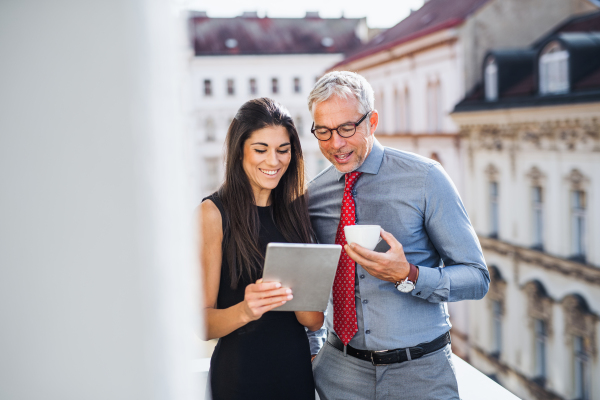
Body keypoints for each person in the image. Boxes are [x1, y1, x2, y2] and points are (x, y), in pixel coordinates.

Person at [306, 71, 490, 399]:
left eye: (347, 128)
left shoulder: (425, 179)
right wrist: (314, 350)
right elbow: (304, 284)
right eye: (324, 131)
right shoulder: (314, 195)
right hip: (338, 374)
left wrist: (409, 274)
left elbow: (477, 278)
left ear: (372, 121)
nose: (336, 143)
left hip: (420, 374)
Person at [199, 98, 323, 400]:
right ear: (240, 150)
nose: (274, 161)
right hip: (239, 378)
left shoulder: (297, 210)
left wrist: (306, 289)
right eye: (261, 149)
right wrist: (246, 310)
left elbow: (312, 320)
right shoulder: (212, 214)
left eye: (283, 150)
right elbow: (202, 324)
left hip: (295, 374)